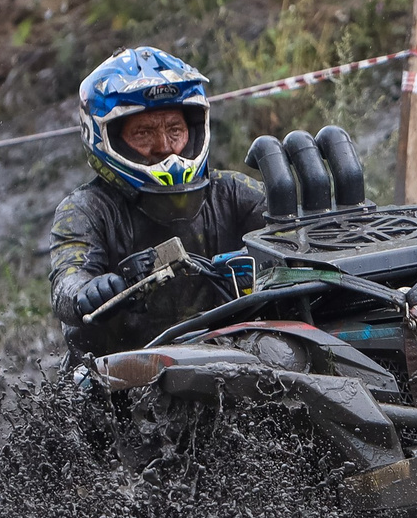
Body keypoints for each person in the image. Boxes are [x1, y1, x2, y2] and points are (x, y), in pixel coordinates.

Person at [47, 48, 267, 356]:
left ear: (192, 129)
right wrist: (88, 291)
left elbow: (295, 232)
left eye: (174, 130)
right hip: (119, 372)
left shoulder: (232, 191)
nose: (164, 146)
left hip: (234, 356)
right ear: (108, 137)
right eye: (144, 132)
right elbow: (65, 282)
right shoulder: (86, 209)